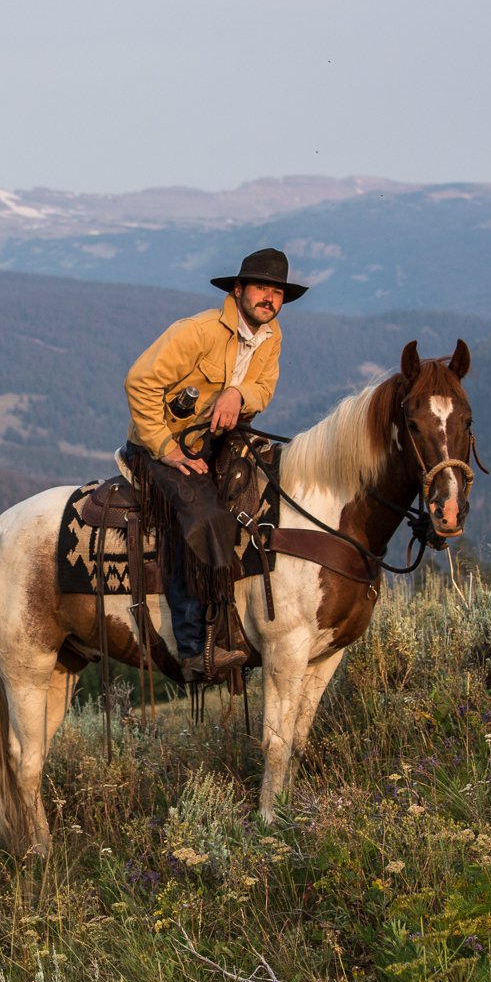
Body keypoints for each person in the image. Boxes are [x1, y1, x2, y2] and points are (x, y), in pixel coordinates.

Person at [123, 247, 306, 682]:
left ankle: (246, 621)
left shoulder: (271, 335)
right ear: (238, 290)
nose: (270, 299)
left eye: (277, 291)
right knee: (203, 518)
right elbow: (139, 382)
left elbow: (264, 385)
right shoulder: (198, 332)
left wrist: (238, 395)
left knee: (263, 494)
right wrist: (165, 447)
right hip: (162, 445)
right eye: (262, 288)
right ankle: (192, 647)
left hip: (218, 439)